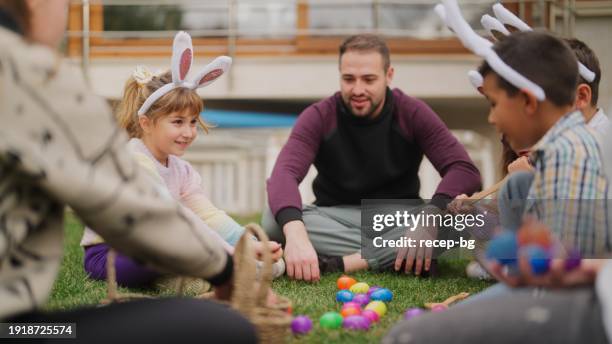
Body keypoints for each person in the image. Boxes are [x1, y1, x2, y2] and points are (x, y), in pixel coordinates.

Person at [0, 1, 256, 342]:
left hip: (17, 328)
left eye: (192, 122)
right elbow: (142, 212)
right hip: (18, 330)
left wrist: (244, 243)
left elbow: (202, 213)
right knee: (228, 326)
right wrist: (226, 267)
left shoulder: (182, 169)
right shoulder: (28, 72)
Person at [262, 33, 481, 281]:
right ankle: (405, 254)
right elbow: (283, 175)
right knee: (274, 219)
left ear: (389, 75)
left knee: (467, 217)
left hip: (398, 216)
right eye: (348, 79)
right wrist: (297, 234)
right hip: (334, 216)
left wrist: (430, 215)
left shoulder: (412, 112)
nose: (358, 90)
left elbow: (463, 169)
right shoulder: (319, 116)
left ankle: (343, 263)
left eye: (368, 79)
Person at [80, 33, 284, 289]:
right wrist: (231, 257)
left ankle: (189, 275)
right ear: (146, 123)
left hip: (162, 242)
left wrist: (250, 244)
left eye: (192, 122)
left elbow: (208, 216)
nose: (188, 132)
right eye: (177, 122)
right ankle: (193, 273)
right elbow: (173, 220)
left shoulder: (182, 170)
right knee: (170, 248)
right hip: (112, 253)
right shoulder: (133, 159)